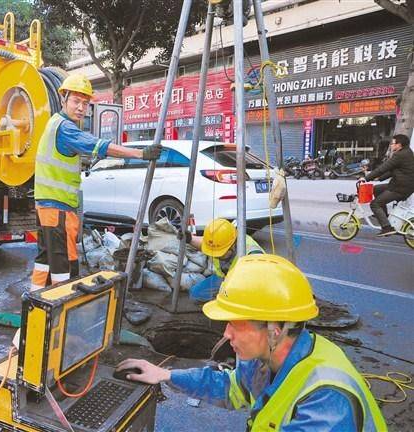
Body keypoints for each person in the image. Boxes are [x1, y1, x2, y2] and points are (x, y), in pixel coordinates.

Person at [116, 254, 387, 431]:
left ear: (275, 330)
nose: (227, 334)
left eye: (237, 324)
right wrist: (165, 374)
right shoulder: (264, 358)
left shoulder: (326, 400)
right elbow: (232, 387)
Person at [31, 74, 161, 291]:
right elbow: (100, 146)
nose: (81, 108)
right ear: (64, 99)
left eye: (85, 103)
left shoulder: (54, 124)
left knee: (46, 260)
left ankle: (35, 307)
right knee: (64, 264)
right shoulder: (65, 128)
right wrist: (140, 154)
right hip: (58, 208)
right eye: (76, 101)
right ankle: (61, 314)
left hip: (46, 206)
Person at [184, 218, 263, 300]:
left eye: (219, 253)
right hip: (224, 278)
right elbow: (204, 243)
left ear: (232, 246)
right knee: (196, 294)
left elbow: (260, 281)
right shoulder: (221, 241)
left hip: (245, 285)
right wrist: (190, 239)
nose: (215, 256)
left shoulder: (251, 253)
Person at [361, 134, 414, 236]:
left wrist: (366, 178)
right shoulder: (407, 152)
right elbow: (392, 170)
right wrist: (379, 178)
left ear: (399, 145)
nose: (391, 145)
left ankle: (387, 228)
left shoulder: (400, 155)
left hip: (400, 188)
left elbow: (383, 168)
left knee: (375, 204)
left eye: (392, 143)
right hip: (402, 185)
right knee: (376, 189)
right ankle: (384, 217)